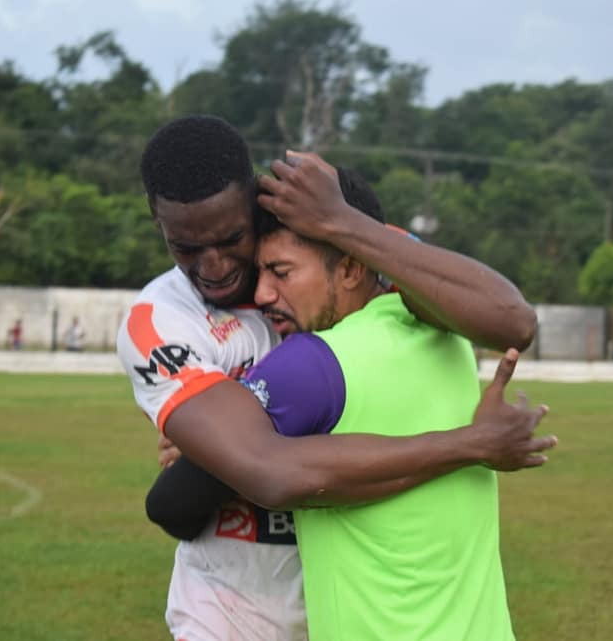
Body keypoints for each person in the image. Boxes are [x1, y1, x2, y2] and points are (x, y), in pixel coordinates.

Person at [117, 116, 551, 640]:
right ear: (157, 224)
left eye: (233, 240)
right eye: (186, 248)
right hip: (232, 609)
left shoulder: (331, 244)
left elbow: (512, 322)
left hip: (338, 601)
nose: (214, 266)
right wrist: (468, 445)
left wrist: (343, 220)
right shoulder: (161, 322)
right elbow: (201, 498)